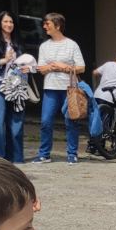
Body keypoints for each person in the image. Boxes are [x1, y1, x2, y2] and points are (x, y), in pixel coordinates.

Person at [31, 12, 86, 164]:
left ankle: (72, 154)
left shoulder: (72, 45)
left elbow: (81, 67)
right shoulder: (44, 46)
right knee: (45, 121)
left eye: (47, 23)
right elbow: (41, 69)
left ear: (58, 26)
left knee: (71, 121)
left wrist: (63, 67)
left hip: (69, 89)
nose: (44, 26)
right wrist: (51, 67)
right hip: (50, 88)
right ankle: (44, 154)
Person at [0, 12, 27, 164]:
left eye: (11, 22)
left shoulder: (17, 41)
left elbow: (23, 61)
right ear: (0, 23)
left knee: (16, 120)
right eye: (6, 21)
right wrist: (3, 60)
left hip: (16, 83)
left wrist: (26, 67)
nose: (9, 24)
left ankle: (16, 158)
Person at [88, 49, 116, 158]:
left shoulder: (108, 64)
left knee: (95, 120)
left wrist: (102, 80)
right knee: (105, 123)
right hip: (109, 99)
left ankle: (92, 145)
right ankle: (100, 146)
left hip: (97, 95)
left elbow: (95, 72)